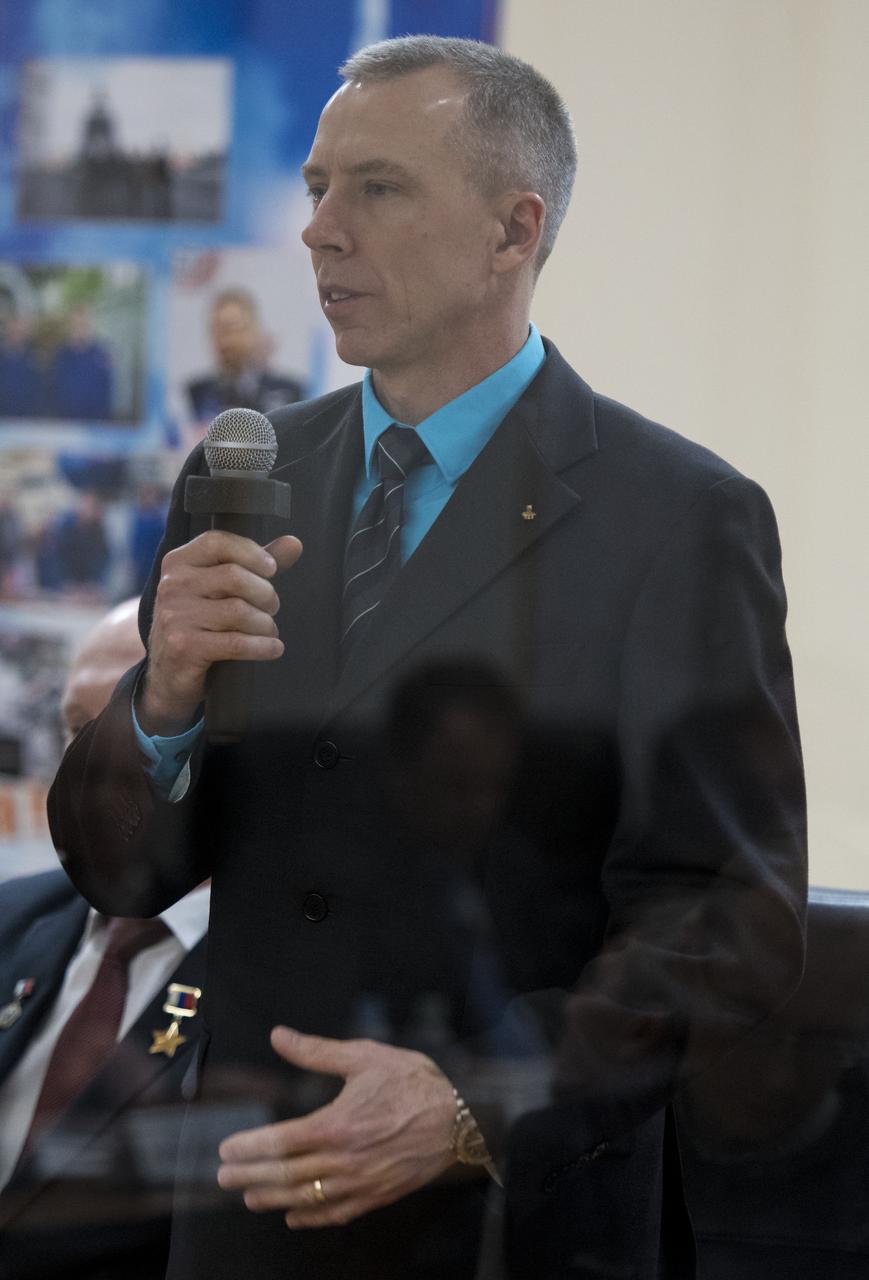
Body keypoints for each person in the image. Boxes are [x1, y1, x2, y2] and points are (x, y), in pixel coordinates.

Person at [48, 36, 807, 1280]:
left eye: (377, 187)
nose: (318, 231)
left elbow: (730, 914)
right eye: (312, 187)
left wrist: (477, 1098)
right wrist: (161, 703)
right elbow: (119, 874)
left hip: (508, 1220)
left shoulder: (677, 515)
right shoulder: (245, 475)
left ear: (513, 231)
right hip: (246, 1212)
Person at [0, 599, 209, 1280]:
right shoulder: (13, 918)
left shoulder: (277, 965)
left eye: (119, 727)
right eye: (73, 731)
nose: (86, 767)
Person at [186, 288, 304, 424]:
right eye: (217, 330)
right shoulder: (196, 394)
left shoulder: (289, 393)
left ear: (254, 331)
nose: (226, 341)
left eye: (232, 329)